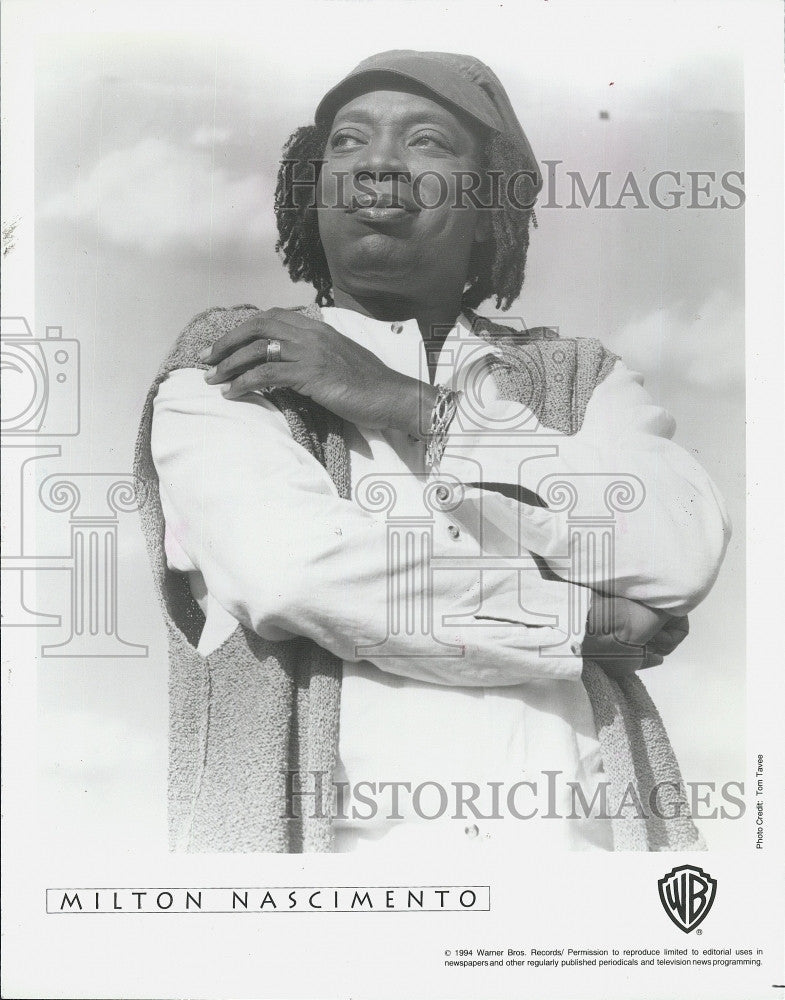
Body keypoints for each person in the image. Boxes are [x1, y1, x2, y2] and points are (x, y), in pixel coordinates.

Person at [135, 50, 731, 854]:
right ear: (311, 189)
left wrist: (410, 405)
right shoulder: (236, 363)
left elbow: (676, 551)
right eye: (347, 141)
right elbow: (296, 573)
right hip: (328, 874)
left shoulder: (579, 379)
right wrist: (575, 620)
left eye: (427, 142)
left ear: (492, 199)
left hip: (578, 872)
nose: (378, 163)